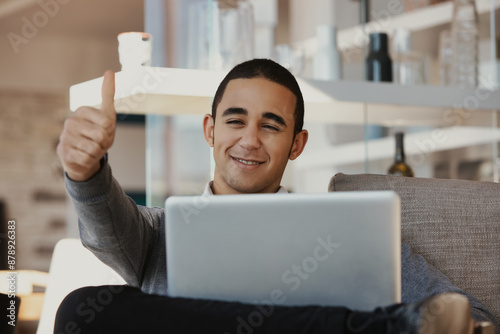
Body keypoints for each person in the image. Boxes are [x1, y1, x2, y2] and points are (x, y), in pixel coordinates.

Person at [55, 59, 496, 334]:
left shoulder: (345, 230)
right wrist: (85, 170)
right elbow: (104, 227)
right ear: (211, 130)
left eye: (270, 125)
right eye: (235, 121)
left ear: (297, 144)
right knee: (81, 309)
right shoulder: (156, 233)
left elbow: (472, 316)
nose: (249, 140)